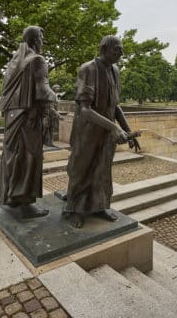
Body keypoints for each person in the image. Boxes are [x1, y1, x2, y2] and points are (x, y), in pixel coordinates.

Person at [63, 35, 140, 229]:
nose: (121, 54)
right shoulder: (87, 69)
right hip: (87, 132)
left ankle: (100, 206)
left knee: (102, 171)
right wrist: (114, 128)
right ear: (104, 48)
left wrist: (127, 131)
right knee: (81, 170)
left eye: (122, 50)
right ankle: (74, 209)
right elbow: (85, 110)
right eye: (117, 50)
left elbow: (115, 106)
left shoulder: (115, 70)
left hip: (106, 133)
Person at [0, 26, 58, 219]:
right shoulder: (37, 60)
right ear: (36, 40)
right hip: (28, 118)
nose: (42, 41)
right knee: (30, 158)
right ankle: (26, 203)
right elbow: (42, 91)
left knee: (13, 157)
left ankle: (11, 198)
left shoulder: (14, 62)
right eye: (41, 37)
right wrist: (56, 97)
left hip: (13, 118)